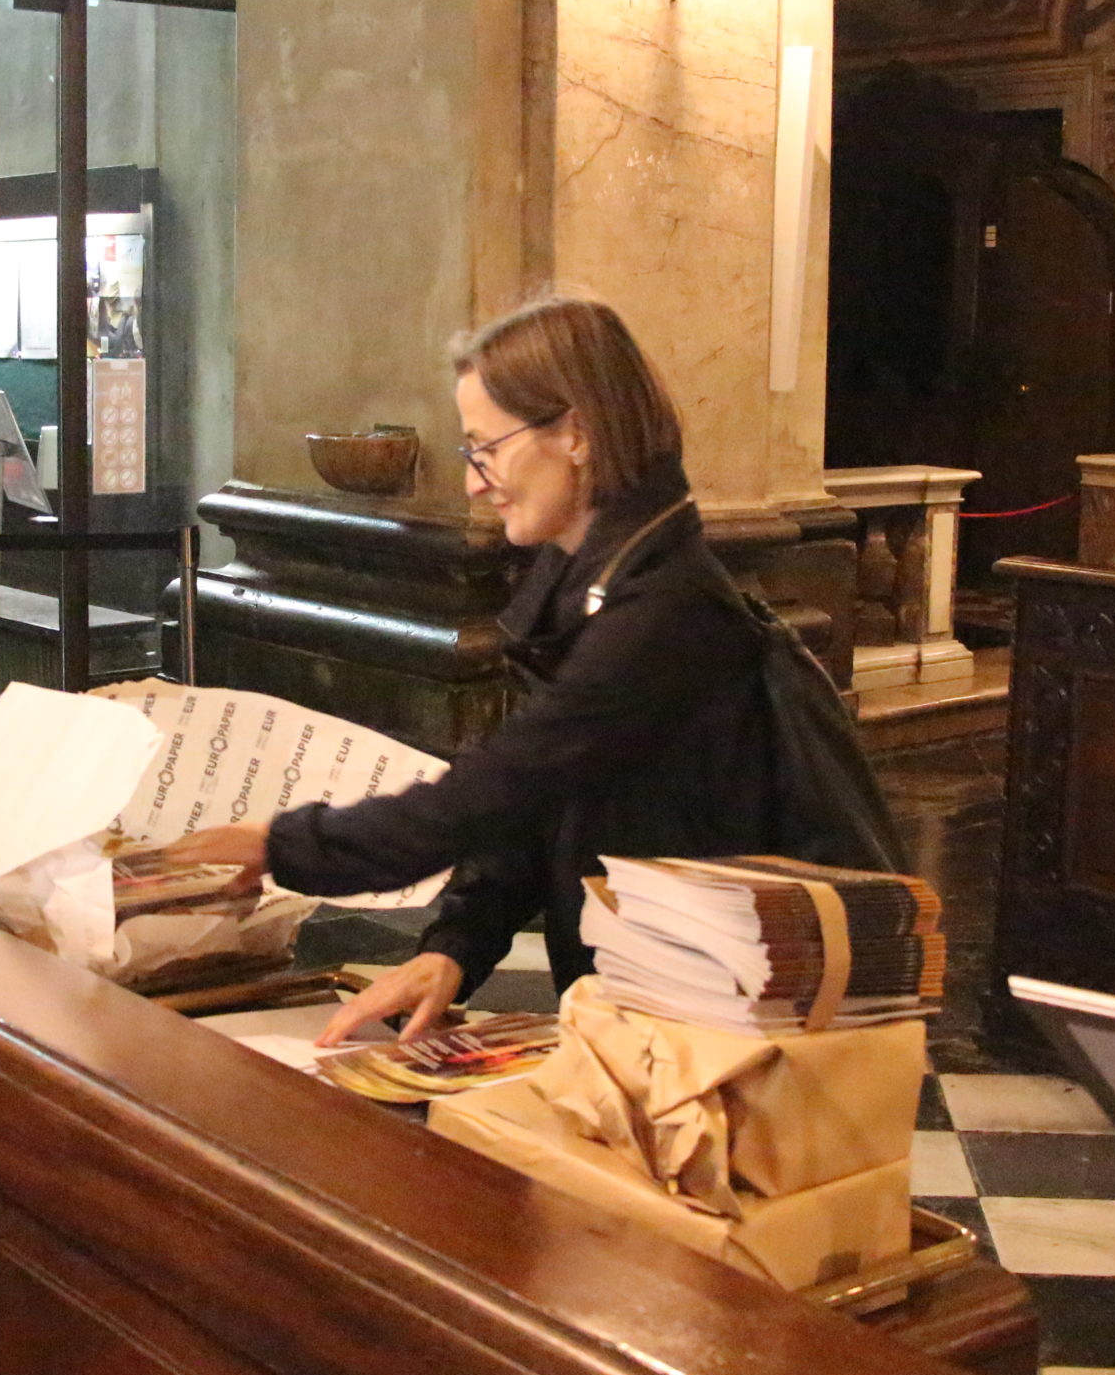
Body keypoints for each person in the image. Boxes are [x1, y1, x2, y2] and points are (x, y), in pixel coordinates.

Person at [168, 298, 892, 1046]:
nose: (474, 482)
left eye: (485, 447)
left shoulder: (666, 607)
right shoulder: (583, 578)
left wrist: (285, 844)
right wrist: (456, 946)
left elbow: (502, 786)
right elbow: (544, 802)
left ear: (576, 433)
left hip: (728, 1021)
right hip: (641, 998)